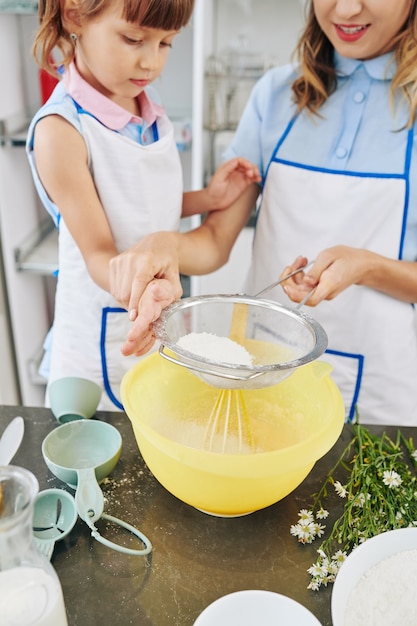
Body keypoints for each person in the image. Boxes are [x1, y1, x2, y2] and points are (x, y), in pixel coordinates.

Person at [115, 0, 417, 426]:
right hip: (263, 366)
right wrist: (165, 246)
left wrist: (367, 267)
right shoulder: (276, 95)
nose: (347, 9)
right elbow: (215, 242)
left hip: (381, 393)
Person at [26, 0, 261, 410]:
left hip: (152, 319)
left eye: (166, 43)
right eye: (133, 39)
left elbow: (137, 202)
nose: (151, 62)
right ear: (74, 14)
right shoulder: (61, 132)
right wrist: (145, 288)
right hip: (99, 343)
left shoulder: (142, 105)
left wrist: (208, 199)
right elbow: (100, 255)